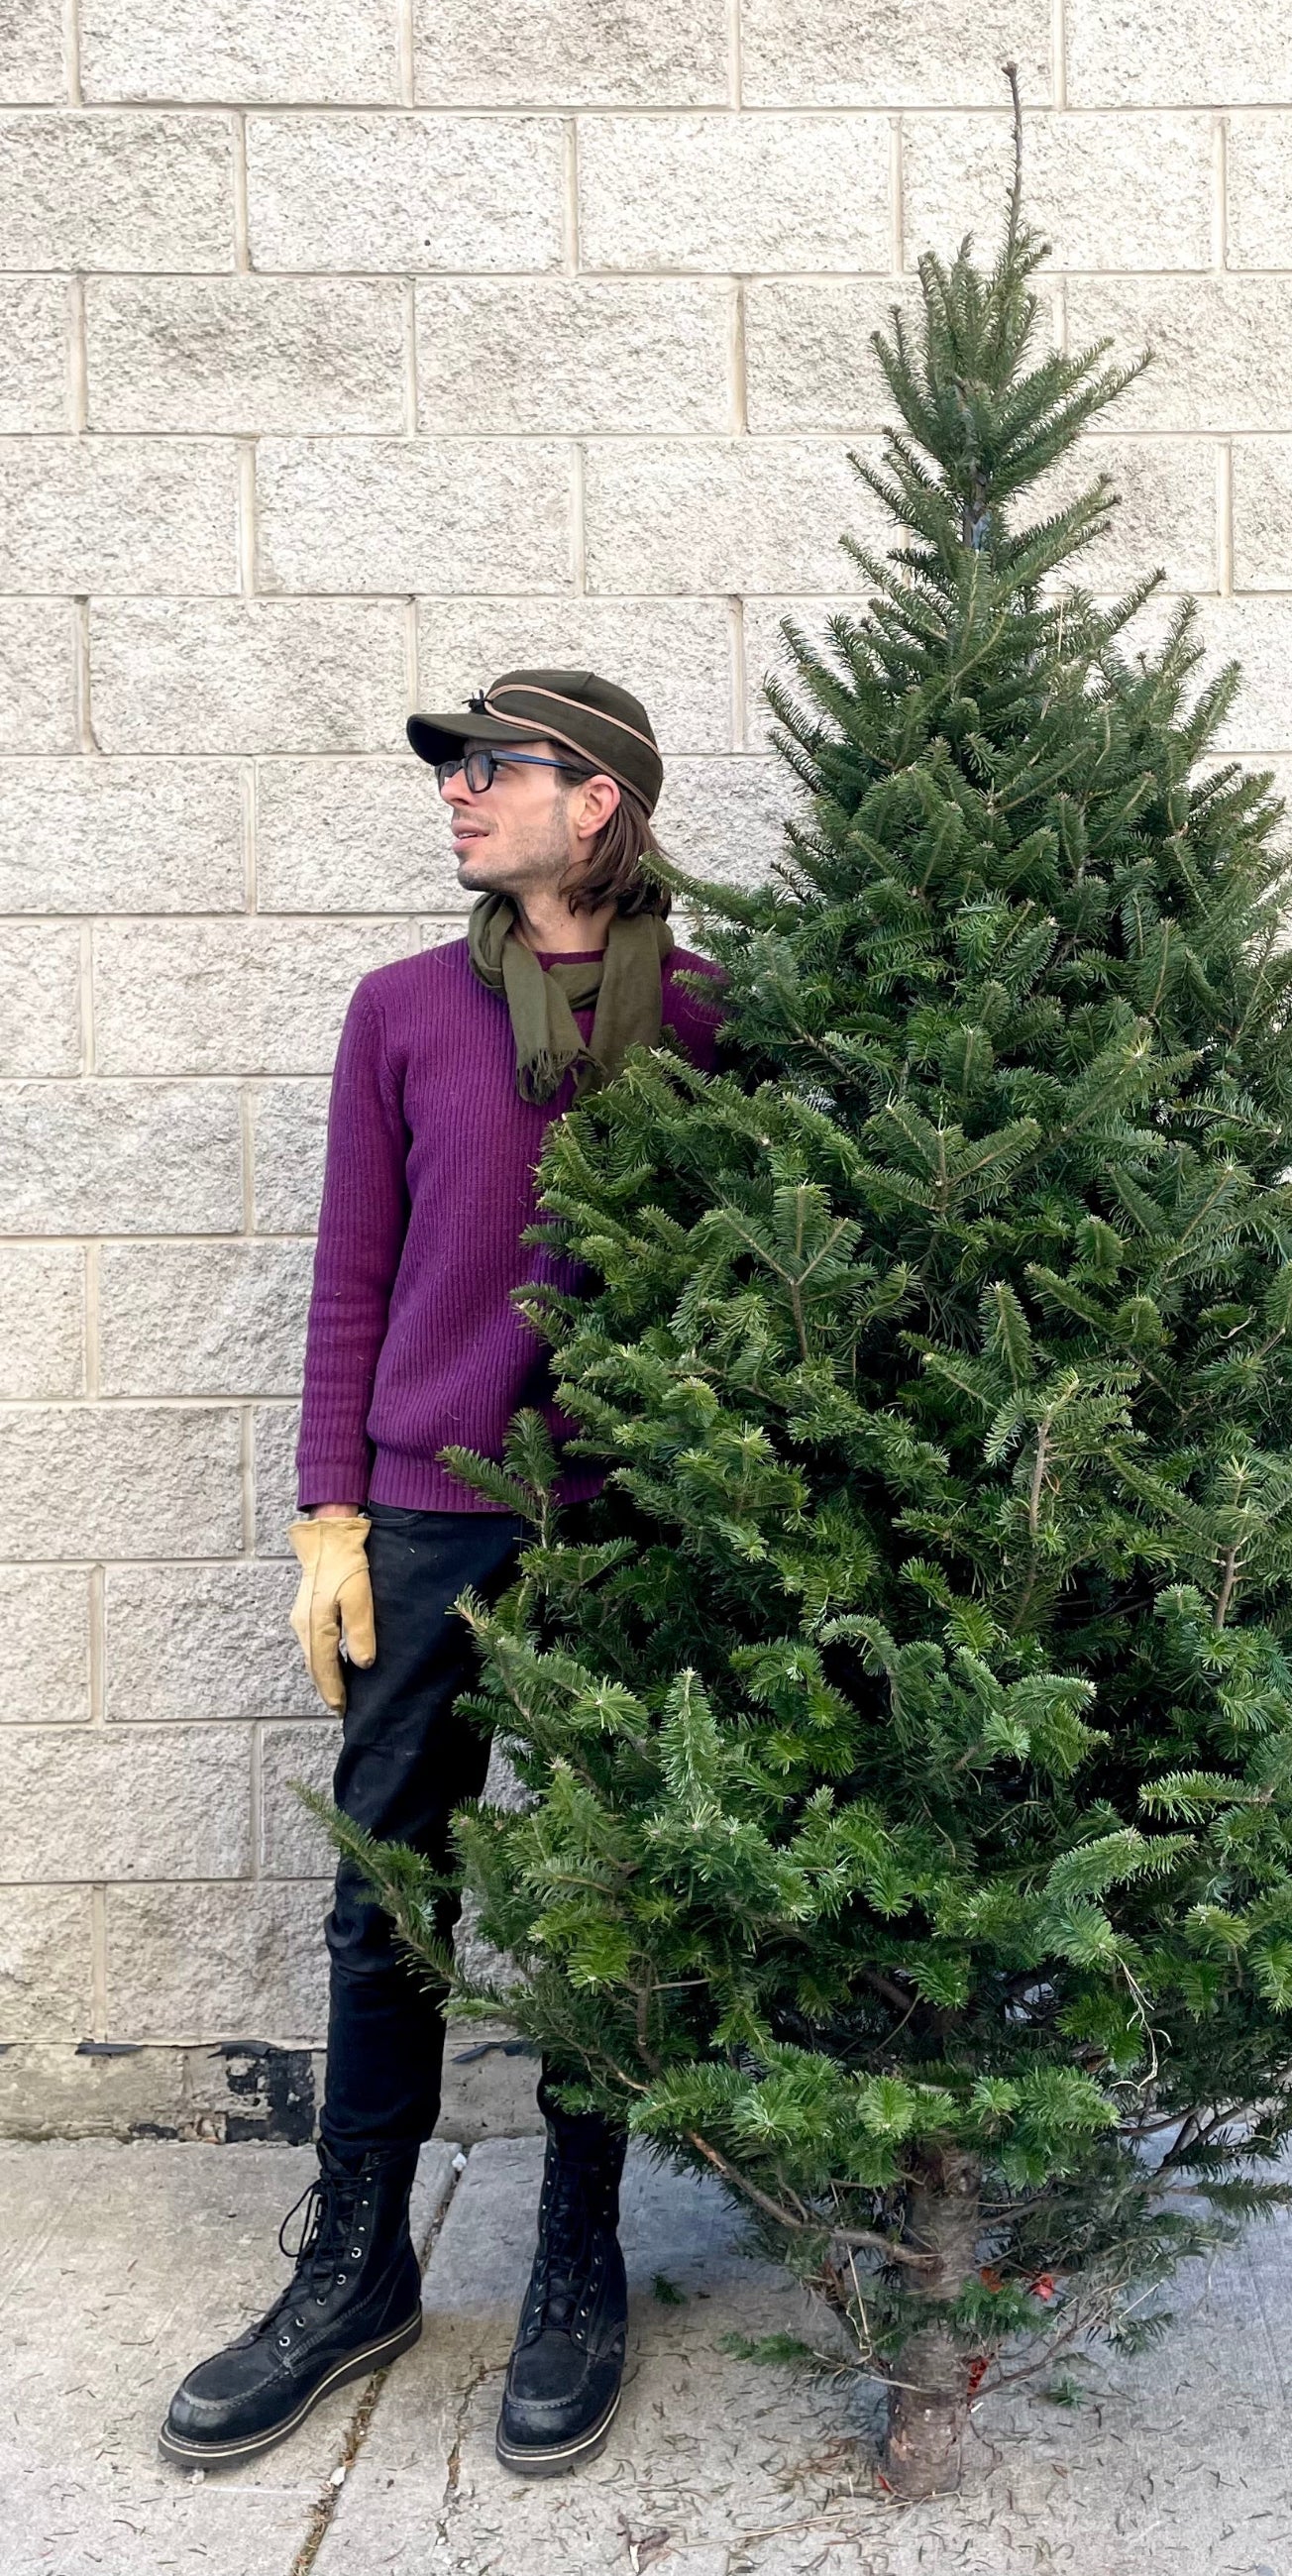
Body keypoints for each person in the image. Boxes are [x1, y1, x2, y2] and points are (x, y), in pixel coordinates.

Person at [160, 670, 726, 2480]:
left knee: (601, 1899)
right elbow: (351, 1273)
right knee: (384, 1895)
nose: (461, 796)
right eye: (454, 771)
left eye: (497, 769)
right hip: (427, 1517)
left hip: (627, 1526)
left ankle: (577, 2249)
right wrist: (335, 1507)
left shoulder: (711, 1023)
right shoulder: (403, 1012)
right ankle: (354, 2270)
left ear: (602, 806)